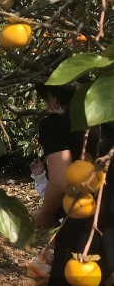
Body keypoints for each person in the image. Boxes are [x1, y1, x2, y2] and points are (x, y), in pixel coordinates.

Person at [29, 83, 114, 286]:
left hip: (82, 221)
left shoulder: (56, 124)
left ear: (52, 97)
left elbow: (60, 182)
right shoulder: (107, 118)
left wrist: (45, 214)